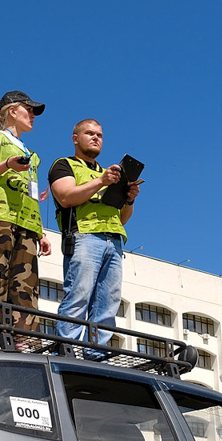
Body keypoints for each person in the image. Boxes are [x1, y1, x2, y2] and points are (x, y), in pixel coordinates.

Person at [49, 118, 142, 345]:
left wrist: (128, 199)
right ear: (75, 138)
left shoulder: (111, 175)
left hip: (114, 241)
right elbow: (66, 196)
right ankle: (66, 348)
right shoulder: (64, 165)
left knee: (108, 302)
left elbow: (122, 218)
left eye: (99, 135)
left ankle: (97, 353)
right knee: (78, 296)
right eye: (90, 133)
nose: (95, 138)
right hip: (84, 236)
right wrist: (101, 181)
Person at [0, 91, 51, 334]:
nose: (33, 116)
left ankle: (24, 340)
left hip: (26, 224)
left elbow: (31, 195)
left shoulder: (29, 153)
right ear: (13, 111)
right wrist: (6, 165)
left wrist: (41, 232)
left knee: (26, 286)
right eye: (29, 110)